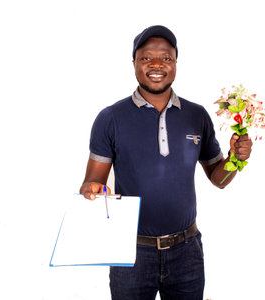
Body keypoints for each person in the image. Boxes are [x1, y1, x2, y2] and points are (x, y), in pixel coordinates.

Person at [80, 25, 252, 300]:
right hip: (130, 253)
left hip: (187, 253)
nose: (157, 64)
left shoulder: (197, 115)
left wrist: (235, 160)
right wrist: (92, 190)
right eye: (147, 58)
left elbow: (218, 180)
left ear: (175, 63)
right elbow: (92, 183)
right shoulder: (110, 118)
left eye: (166, 58)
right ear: (134, 62)